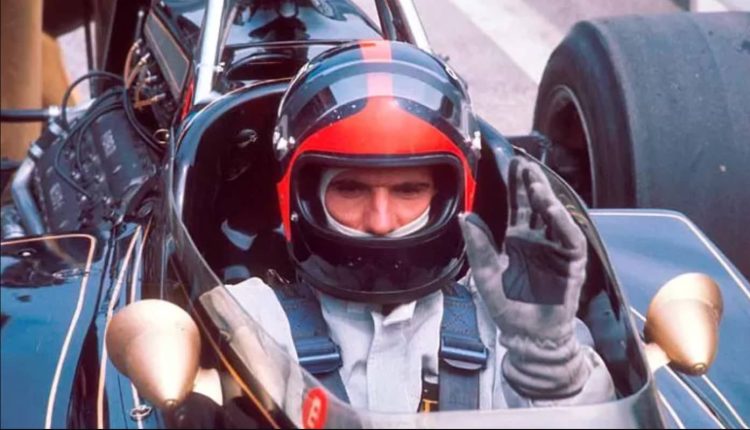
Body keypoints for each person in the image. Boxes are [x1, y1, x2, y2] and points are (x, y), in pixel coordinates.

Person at [227, 40, 614, 413]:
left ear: (451, 196)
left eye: (408, 190)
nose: (381, 222)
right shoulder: (250, 319)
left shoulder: (508, 326)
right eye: (349, 189)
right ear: (302, 195)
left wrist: (549, 359)